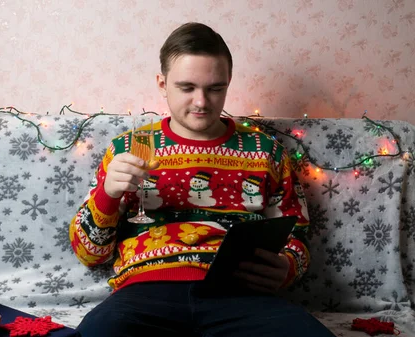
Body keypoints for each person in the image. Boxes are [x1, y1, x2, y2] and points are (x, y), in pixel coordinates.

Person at [69, 22, 336, 337]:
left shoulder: (266, 151)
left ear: (228, 83)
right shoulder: (127, 149)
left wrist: (288, 267)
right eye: (187, 87)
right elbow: (90, 254)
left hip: (241, 295)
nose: (201, 102)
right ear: (162, 83)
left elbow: (297, 236)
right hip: (145, 291)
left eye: (215, 88)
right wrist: (107, 195)